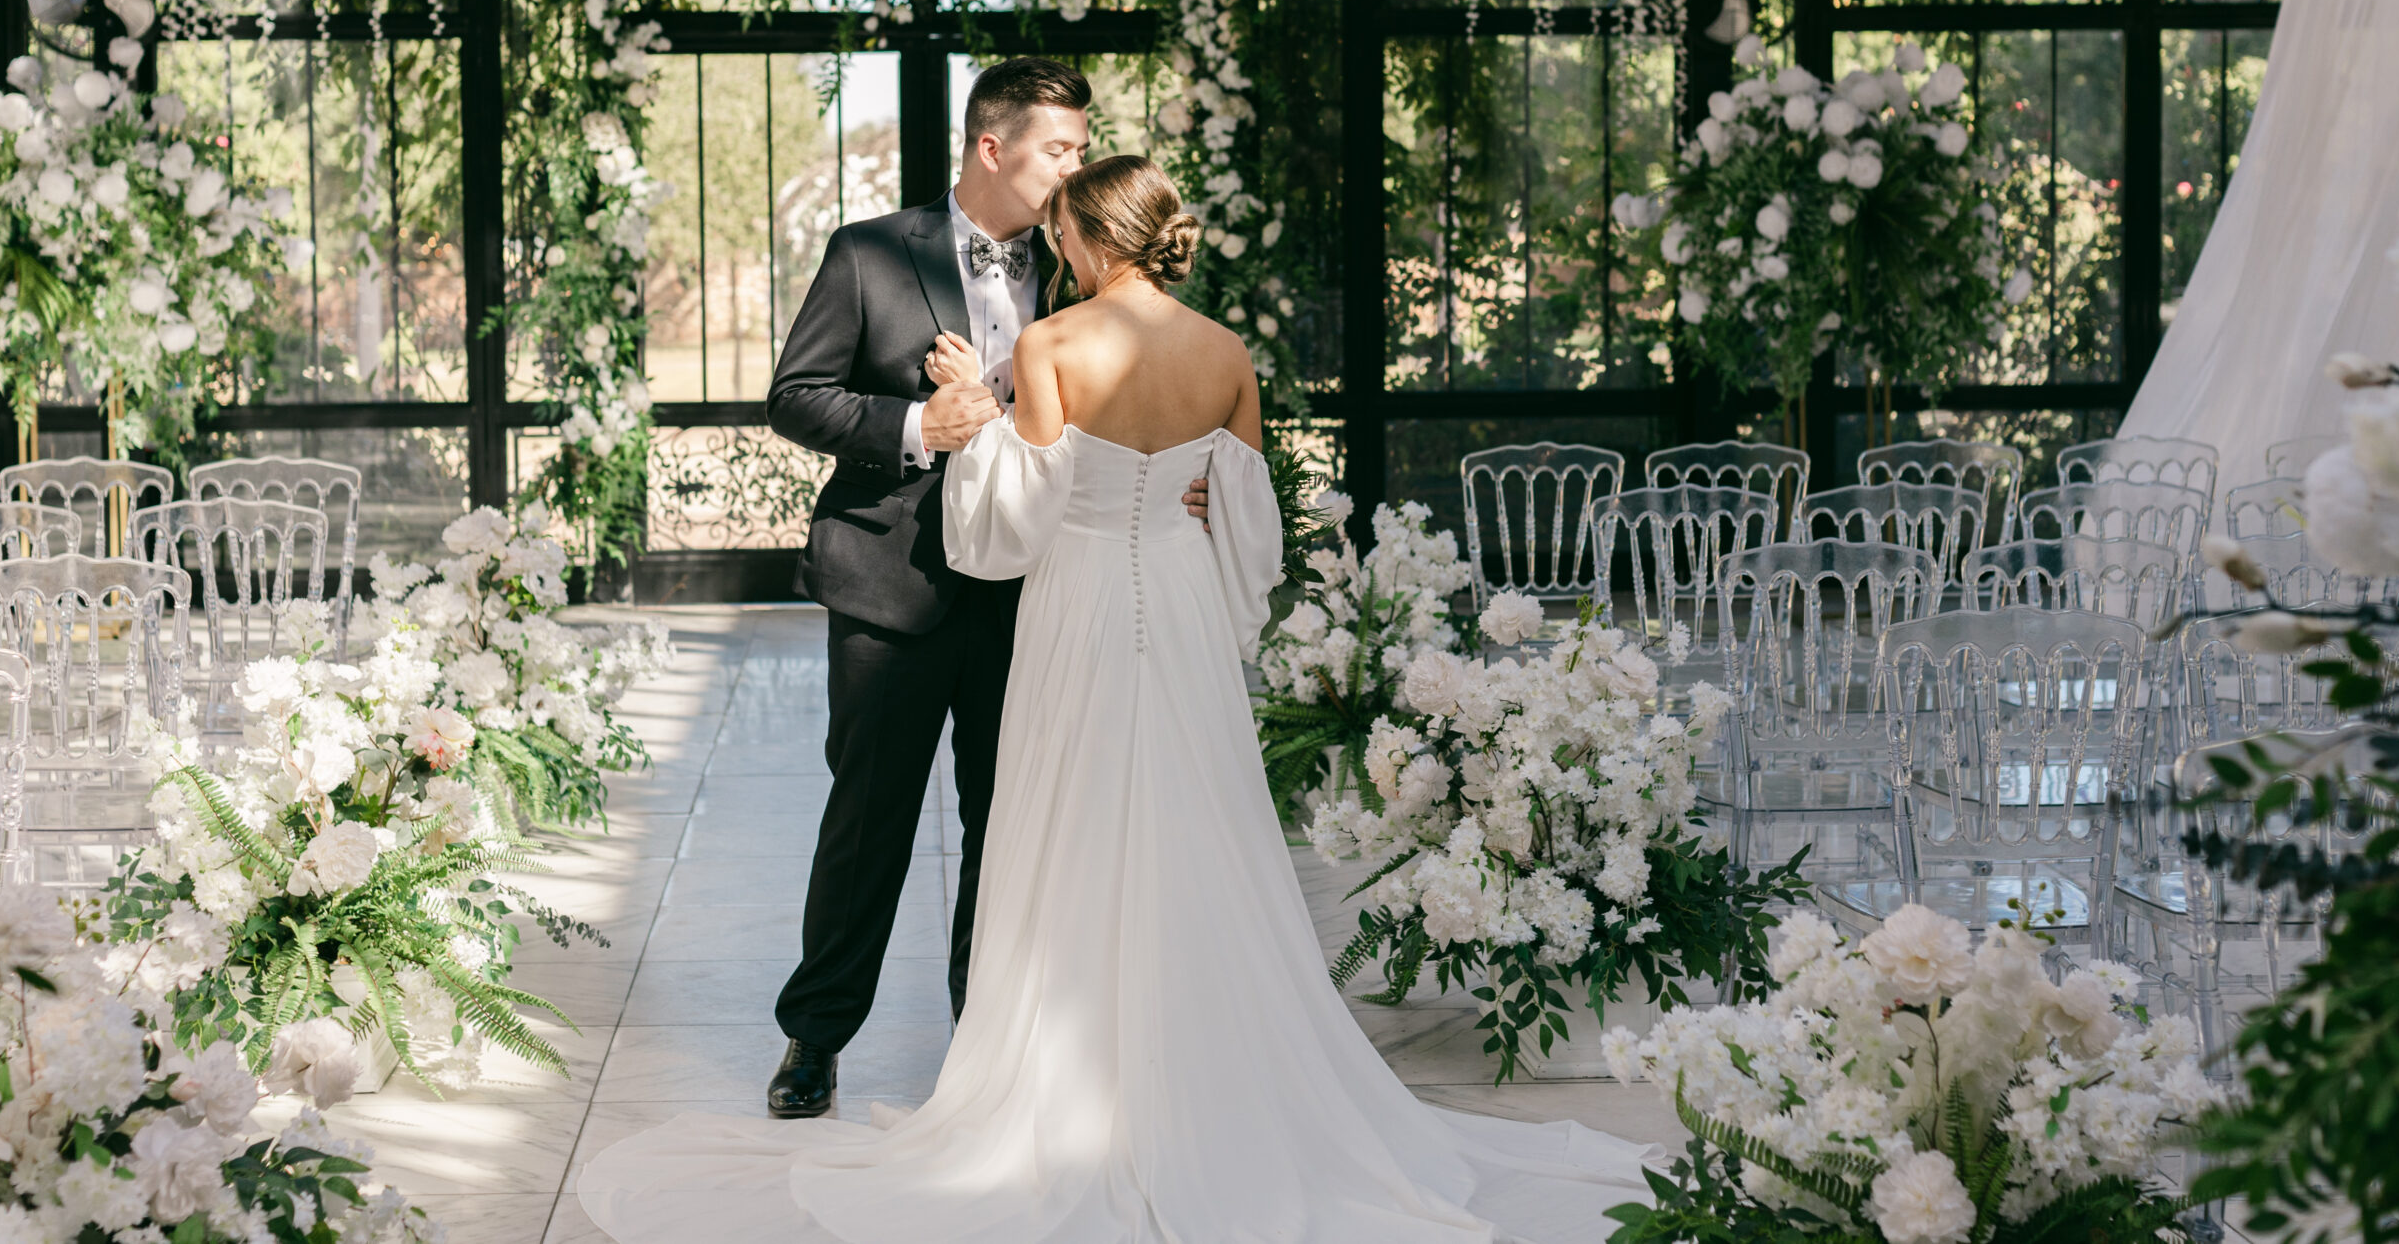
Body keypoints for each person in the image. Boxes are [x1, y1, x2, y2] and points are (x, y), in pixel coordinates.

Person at [583, 155, 1656, 1244]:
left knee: (1063, 825)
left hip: (1081, 601)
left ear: (1090, 240)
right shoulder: (1224, 351)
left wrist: (970, 407)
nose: (1051, 253)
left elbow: (1012, 523)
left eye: (1061, 236)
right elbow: (1250, 528)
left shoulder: (1049, 345)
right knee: (1194, 824)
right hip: (1183, 603)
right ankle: (1195, 1070)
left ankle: (1057, 1073)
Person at [759, 58, 1208, 1119]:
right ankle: (815, 1038)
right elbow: (795, 396)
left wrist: (1181, 487)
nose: (1077, 166)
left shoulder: (1083, 262)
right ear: (991, 148)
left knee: (1016, 824)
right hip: (890, 584)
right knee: (870, 821)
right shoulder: (868, 252)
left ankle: (987, 1047)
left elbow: (1144, 382)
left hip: (1035, 588)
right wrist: (921, 426)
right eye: (1060, 148)